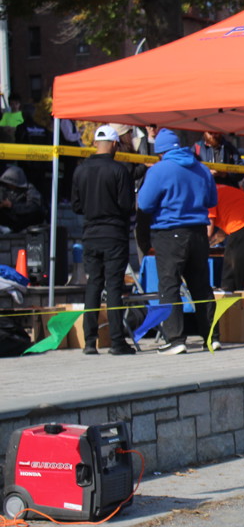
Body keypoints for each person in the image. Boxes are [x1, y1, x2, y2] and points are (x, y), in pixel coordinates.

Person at [136, 128, 218, 355]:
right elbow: (212, 200)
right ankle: (212, 337)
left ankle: (176, 339)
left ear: (160, 151)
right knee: (201, 286)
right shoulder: (202, 168)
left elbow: (144, 203)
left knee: (169, 286)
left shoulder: (159, 170)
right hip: (199, 232)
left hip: (169, 232)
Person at [71, 125, 136, 355]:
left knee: (93, 286)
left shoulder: (80, 170)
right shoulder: (119, 170)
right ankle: (117, 342)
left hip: (91, 234)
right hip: (114, 234)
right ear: (115, 144)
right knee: (114, 286)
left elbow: (76, 206)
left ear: (95, 144)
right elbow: (126, 205)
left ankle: (90, 341)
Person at [0, 166, 45, 233]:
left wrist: (12, 206)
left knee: (36, 213)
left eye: (11, 183)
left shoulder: (29, 189)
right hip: (9, 218)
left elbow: (34, 206)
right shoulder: (3, 188)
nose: (9, 185)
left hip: (23, 218)